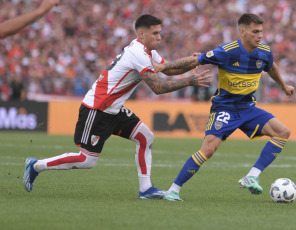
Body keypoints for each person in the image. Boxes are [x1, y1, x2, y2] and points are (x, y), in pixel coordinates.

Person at [23, 14, 211, 199]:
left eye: (160, 33)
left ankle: (146, 189)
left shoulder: (148, 52)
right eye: (155, 33)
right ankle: (37, 165)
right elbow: (158, 87)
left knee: (145, 137)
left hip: (114, 108)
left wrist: (197, 60)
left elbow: (169, 69)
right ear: (142, 34)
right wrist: (189, 81)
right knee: (86, 160)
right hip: (97, 108)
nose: (159, 37)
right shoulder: (138, 53)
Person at [152, 13, 295, 201]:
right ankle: (173, 190)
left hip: (247, 107)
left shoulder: (264, 52)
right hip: (225, 108)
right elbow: (196, 60)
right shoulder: (227, 51)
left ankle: (251, 176)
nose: (260, 35)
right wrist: (164, 67)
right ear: (242, 32)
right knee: (208, 150)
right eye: (255, 31)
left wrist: (283, 86)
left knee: (283, 132)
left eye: (261, 31)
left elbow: (271, 67)